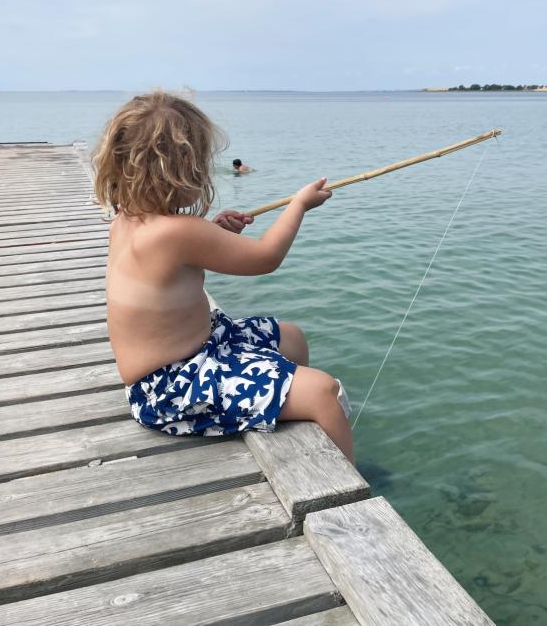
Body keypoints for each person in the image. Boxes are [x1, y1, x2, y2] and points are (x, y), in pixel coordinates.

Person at [92, 90, 354, 464]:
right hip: (170, 388)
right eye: (199, 162)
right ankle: (346, 489)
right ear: (180, 167)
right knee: (323, 392)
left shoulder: (129, 218)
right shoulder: (178, 231)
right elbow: (266, 258)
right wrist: (299, 206)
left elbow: (174, 266)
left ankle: (293, 416)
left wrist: (217, 232)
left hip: (195, 353)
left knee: (290, 337)